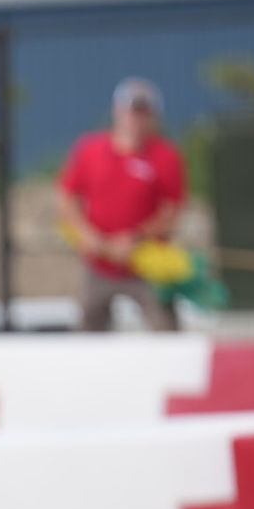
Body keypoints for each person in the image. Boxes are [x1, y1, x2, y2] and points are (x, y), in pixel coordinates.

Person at [57, 77, 188, 332]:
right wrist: (87, 234)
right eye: (131, 111)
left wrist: (135, 238)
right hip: (100, 263)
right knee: (87, 330)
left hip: (146, 262)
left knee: (166, 329)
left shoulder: (166, 156)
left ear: (153, 117)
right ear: (117, 111)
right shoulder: (90, 150)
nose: (135, 119)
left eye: (143, 112)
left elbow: (172, 211)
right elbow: (66, 197)